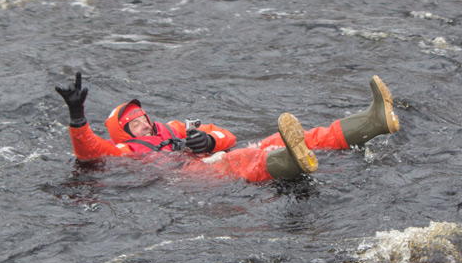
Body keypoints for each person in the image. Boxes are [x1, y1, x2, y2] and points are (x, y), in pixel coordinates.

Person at [55, 72, 399, 183]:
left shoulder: (174, 127)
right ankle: (293, 163)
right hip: (191, 180)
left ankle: (373, 121)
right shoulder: (126, 152)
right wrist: (77, 119)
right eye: (134, 123)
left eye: (142, 117)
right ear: (125, 133)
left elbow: (226, 135)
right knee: (242, 158)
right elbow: (90, 151)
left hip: (208, 162)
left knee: (276, 138)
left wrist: (207, 140)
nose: (143, 122)